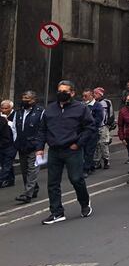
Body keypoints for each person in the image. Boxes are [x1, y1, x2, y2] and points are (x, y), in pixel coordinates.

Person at [35, 81, 96, 224]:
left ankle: (85, 203)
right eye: (59, 90)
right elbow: (42, 130)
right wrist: (39, 149)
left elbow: (90, 127)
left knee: (76, 179)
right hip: (55, 151)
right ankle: (57, 212)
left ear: (72, 93)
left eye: (65, 91)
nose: (61, 93)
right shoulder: (49, 109)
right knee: (53, 183)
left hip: (72, 150)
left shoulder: (80, 108)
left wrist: (78, 144)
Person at [11, 91, 44, 202]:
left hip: (34, 146)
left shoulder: (40, 112)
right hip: (21, 146)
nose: (24, 100)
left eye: (27, 98)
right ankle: (33, 189)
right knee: (25, 170)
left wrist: (40, 145)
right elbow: (15, 128)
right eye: (23, 97)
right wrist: (16, 141)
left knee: (32, 170)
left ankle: (27, 194)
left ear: (33, 100)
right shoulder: (18, 112)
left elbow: (42, 129)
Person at [92, 87, 114, 170]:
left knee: (103, 143)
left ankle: (106, 160)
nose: (94, 95)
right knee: (96, 144)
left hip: (104, 125)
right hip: (96, 126)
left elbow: (111, 113)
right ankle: (97, 161)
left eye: (96, 93)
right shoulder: (93, 102)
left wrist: (109, 124)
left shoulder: (107, 102)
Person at [0, 100, 15, 188]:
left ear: (10, 108)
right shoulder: (1, 117)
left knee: (7, 164)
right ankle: (11, 180)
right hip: (3, 144)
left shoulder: (15, 115)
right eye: (2, 108)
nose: (3, 110)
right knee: (5, 163)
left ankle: (1, 180)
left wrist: (6, 122)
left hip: (12, 144)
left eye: (6, 108)